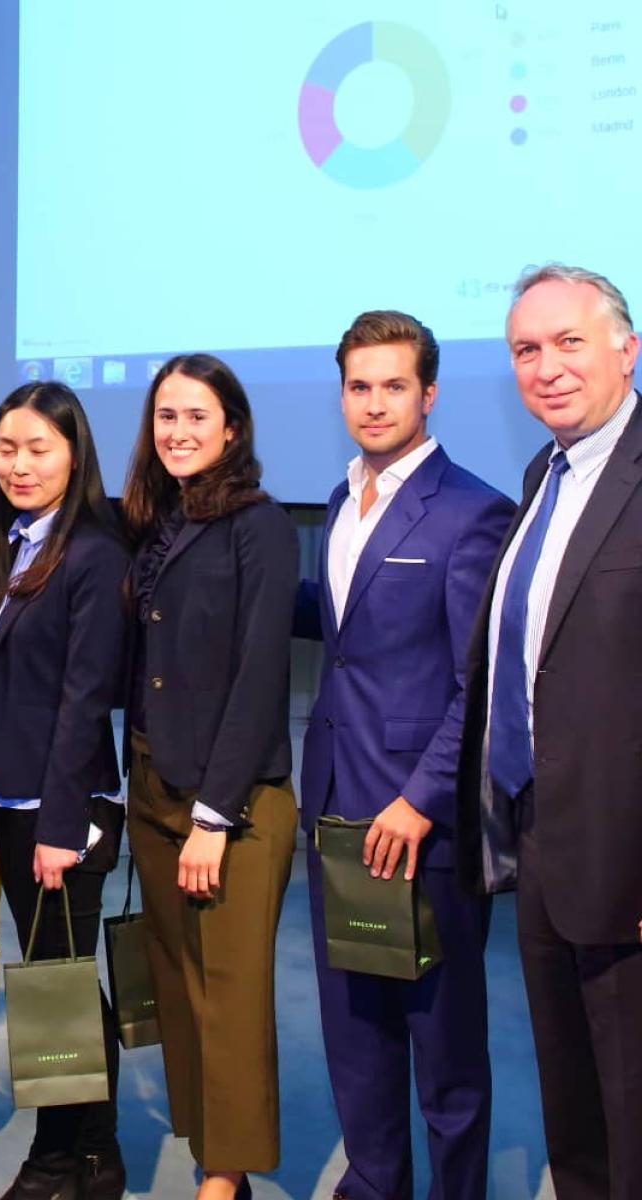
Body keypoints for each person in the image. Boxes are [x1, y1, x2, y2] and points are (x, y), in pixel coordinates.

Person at [297, 312, 514, 1200]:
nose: (375, 403)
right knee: (357, 1036)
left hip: (423, 824)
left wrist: (423, 799)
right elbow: (347, 643)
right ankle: (373, 1185)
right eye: (359, 386)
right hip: (337, 807)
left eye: (394, 385)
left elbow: (480, 684)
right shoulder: (340, 499)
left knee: (445, 1047)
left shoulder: (474, 511)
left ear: (429, 394)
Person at [456, 264, 642, 1199]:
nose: (547, 367)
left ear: (627, 349)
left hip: (626, 855)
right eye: (527, 349)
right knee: (574, 1106)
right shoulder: (545, 474)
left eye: (570, 341)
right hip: (541, 837)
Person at [120, 353, 298, 1200]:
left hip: (232, 802)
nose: (179, 431)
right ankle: (205, 1143)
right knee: (178, 982)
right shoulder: (155, 523)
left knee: (228, 992)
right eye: (167, 416)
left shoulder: (259, 525)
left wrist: (214, 817)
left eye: (197, 416)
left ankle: (226, 1175)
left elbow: (260, 676)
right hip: (153, 783)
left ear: (232, 428)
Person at [0, 380, 131, 1200]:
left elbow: (84, 699)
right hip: (11, 797)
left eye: (39, 448)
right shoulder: (14, 542)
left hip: (64, 810)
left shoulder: (93, 553)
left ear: (75, 454)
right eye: (7, 448)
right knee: (58, 979)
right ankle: (96, 1150)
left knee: (55, 989)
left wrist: (60, 825)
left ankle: (57, 1157)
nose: (19, 465)